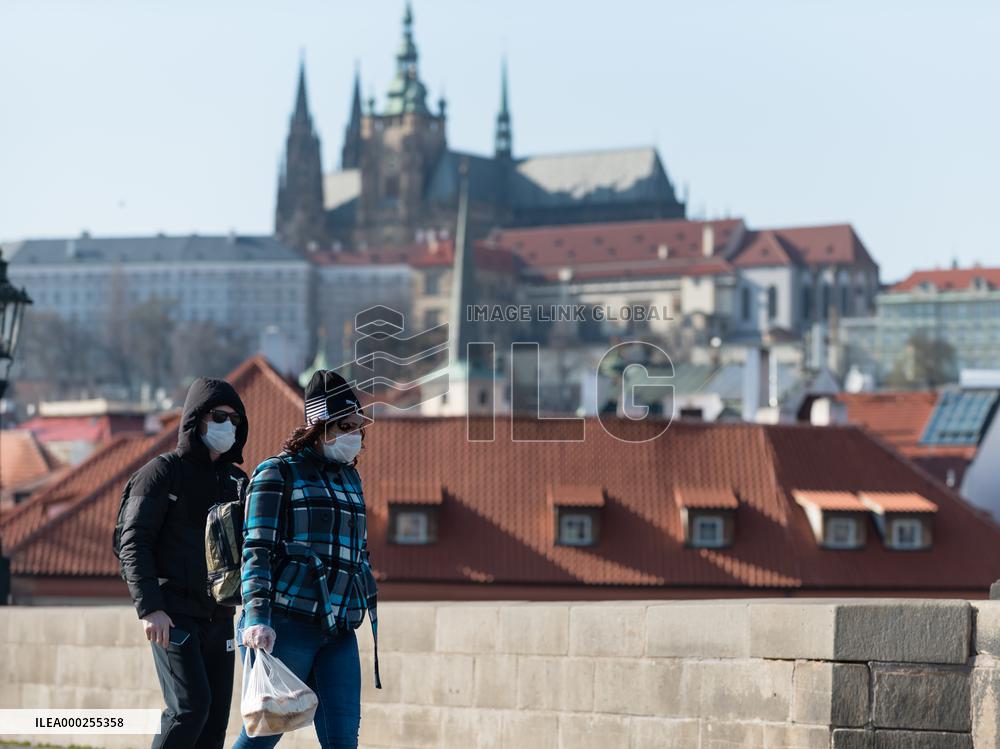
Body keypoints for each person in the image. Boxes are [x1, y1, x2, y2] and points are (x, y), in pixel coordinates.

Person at [235, 370, 380, 749]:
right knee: (262, 734)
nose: (354, 435)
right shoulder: (277, 473)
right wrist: (257, 618)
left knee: (343, 740)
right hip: (285, 624)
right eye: (344, 426)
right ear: (320, 426)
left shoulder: (351, 479)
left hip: (339, 629)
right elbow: (257, 550)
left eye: (357, 427)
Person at [118, 378, 250, 749]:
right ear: (195, 419)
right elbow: (133, 542)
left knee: (214, 725)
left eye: (235, 420)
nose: (228, 426)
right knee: (190, 709)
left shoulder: (237, 482)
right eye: (219, 416)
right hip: (172, 614)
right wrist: (150, 608)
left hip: (221, 616)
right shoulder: (162, 472)